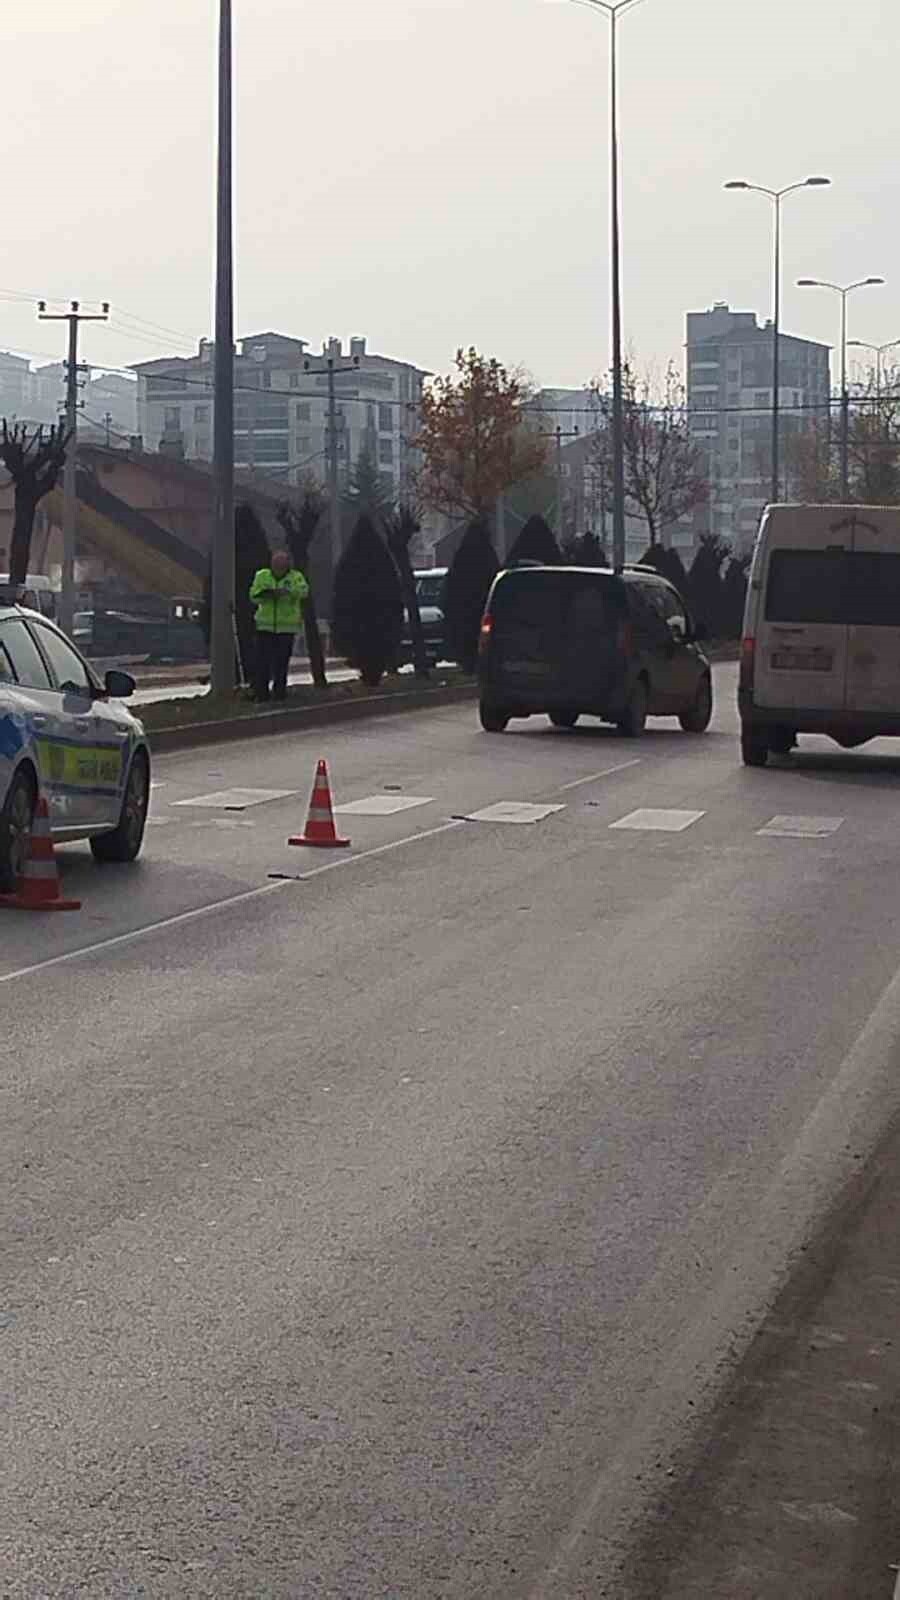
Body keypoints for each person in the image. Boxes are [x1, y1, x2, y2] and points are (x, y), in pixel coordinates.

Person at [249, 550, 309, 701]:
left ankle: (279, 693)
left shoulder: (295, 577)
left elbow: (304, 591)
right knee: (262, 662)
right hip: (264, 626)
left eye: (282, 565)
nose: (278, 568)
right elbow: (253, 595)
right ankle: (261, 694)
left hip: (286, 628)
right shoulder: (262, 575)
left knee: (281, 663)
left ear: (287, 564)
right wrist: (266, 594)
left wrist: (287, 592)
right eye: (276, 564)